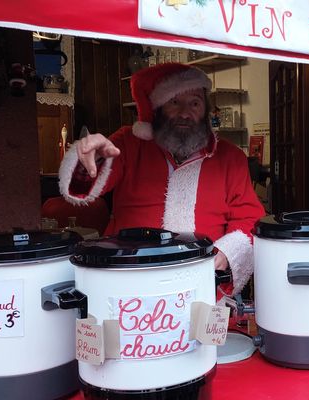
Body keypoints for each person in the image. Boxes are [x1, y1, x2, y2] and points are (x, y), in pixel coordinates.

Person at [58, 62, 265, 295]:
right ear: (158, 107)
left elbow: (250, 217)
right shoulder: (128, 143)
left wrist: (227, 252)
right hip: (128, 279)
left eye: (195, 103)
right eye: (174, 102)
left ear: (206, 110)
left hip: (201, 282)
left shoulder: (229, 156)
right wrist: (91, 161)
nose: (185, 113)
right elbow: (84, 189)